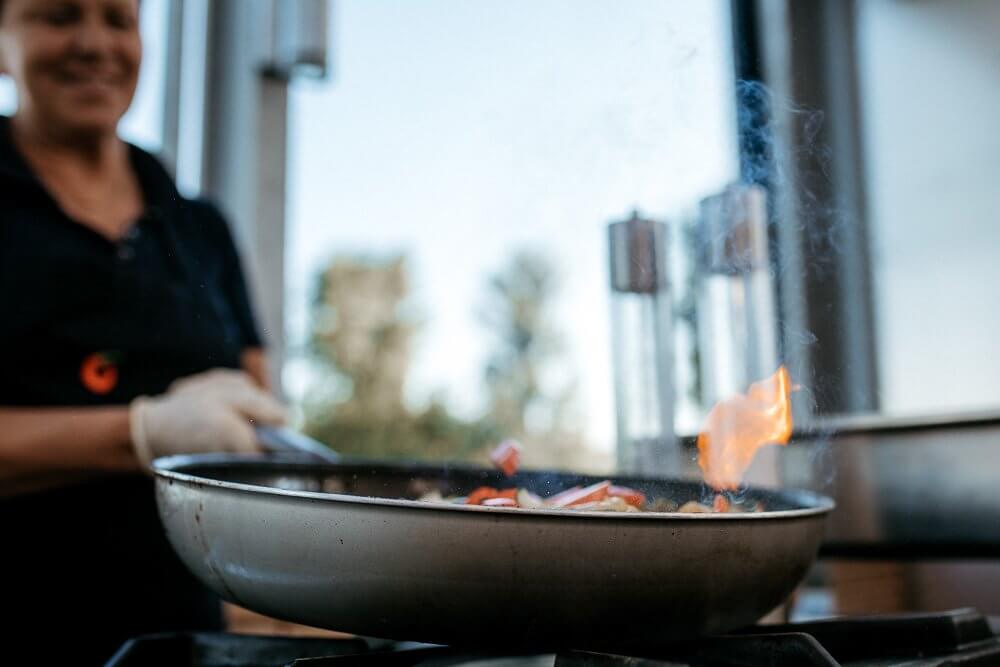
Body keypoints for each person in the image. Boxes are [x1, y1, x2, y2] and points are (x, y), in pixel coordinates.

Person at [0, 0, 286, 662]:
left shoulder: (200, 229)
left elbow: (261, 426)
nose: (94, 44)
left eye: (119, 20)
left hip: (181, 642)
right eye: (58, 15)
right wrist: (142, 432)